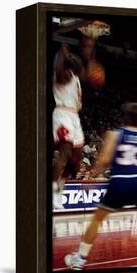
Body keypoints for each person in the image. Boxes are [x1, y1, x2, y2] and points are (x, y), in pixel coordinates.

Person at [64, 102, 137, 270]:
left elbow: (104, 161)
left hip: (119, 182)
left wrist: (91, 176)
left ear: (124, 117)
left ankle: (79, 259)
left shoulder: (115, 134)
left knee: (97, 219)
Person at [52, 43, 86, 210]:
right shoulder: (62, 74)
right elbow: (59, 66)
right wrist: (62, 51)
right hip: (62, 114)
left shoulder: (76, 78)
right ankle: (51, 190)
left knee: (76, 158)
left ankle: (60, 190)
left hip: (74, 116)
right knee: (65, 153)